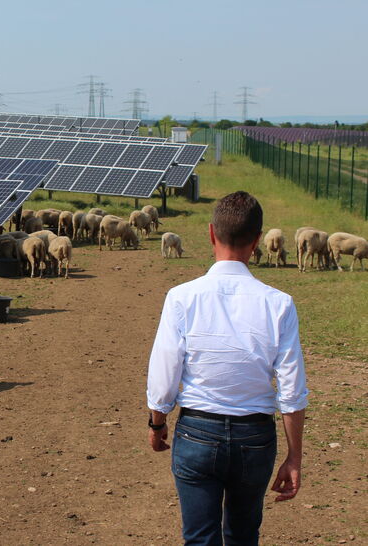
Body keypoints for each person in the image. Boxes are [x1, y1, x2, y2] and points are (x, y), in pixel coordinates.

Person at [146, 191, 308, 546]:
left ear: (210, 234)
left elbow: (165, 372)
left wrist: (157, 424)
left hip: (197, 433)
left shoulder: (182, 297)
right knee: (243, 535)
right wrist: (294, 457)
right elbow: (292, 389)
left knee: (200, 538)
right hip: (255, 439)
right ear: (256, 241)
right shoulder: (280, 304)